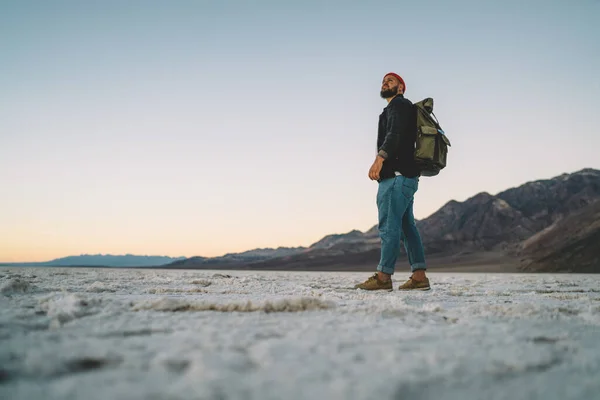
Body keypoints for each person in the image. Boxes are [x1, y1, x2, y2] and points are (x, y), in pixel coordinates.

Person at [355, 72, 430, 291]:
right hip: (407, 177)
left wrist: (380, 159)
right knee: (407, 228)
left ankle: (383, 277)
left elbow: (394, 134)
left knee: (388, 226)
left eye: (390, 81)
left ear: (400, 88)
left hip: (396, 177)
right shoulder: (400, 108)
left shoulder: (398, 105)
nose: (385, 83)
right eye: (383, 81)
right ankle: (419, 277)